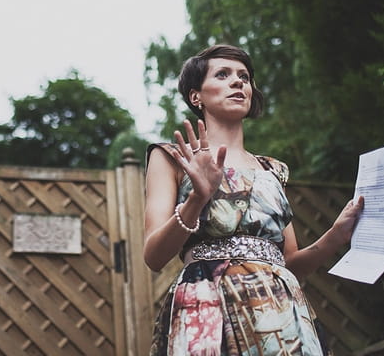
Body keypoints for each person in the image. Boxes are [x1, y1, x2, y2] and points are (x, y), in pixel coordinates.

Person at [143, 44, 364, 356]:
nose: (238, 82)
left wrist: (335, 236)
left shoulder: (272, 170)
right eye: (223, 74)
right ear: (196, 96)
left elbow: (290, 263)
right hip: (208, 307)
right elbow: (153, 256)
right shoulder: (172, 158)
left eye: (244, 77)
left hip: (280, 311)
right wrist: (197, 198)